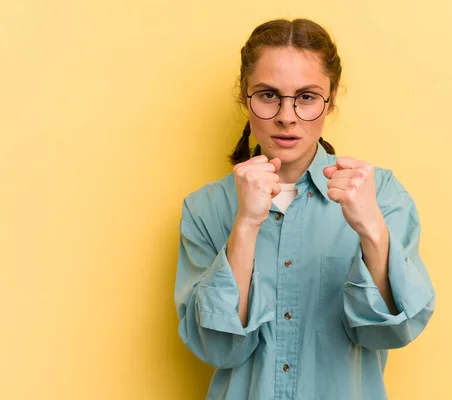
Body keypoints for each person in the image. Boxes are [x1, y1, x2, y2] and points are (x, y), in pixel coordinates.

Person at [174, 18, 435, 400]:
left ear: (331, 101)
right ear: (244, 98)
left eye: (307, 97)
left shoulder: (382, 194)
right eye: (267, 95)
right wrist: (245, 225)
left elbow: (393, 332)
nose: (286, 115)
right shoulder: (204, 209)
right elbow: (217, 348)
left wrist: (372, 233)